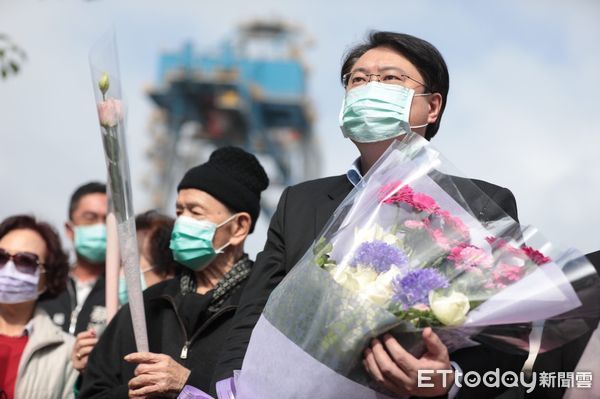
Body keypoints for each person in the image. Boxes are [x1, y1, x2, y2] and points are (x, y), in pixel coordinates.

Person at [211, 31, 523, 398]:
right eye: (358, 80)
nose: (369, 87)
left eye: (390, 78)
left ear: (432, 106)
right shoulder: (300, 202)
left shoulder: (483, 204)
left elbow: (509, 337)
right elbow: (253, 316)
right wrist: (231, 389)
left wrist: (446, 379)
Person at [78, 146, 269, 398]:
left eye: (195, 212)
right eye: (179, 211)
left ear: (238, 228)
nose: (181, 223)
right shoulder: (149, 304)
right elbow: (92, 391)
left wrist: (188, 385)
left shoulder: (262, 309)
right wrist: (134, 393)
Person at [71, 210, 180, 374]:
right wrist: (89, 372)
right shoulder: (110, 319)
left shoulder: (179, 331)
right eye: (120, 263)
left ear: (168, 272)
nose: (121, 273)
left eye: (130, 263)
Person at [0, 214, 78, 398]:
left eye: (25, 261)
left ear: (48, 277)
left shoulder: (66, 352)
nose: (9, 269)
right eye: (1, 257)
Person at [40, 181, 108, 336]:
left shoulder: (125, 290)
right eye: (90, 218)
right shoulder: (47, 284)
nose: (101, 228)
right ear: (70, 230)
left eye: (107, 220)